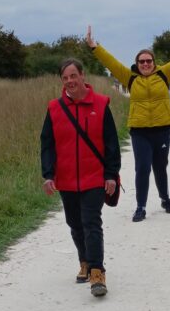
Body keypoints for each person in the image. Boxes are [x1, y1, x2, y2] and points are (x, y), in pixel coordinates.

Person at [86, 24, 170, 222]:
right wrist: (95, 46)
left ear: (154, 62)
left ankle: (165, 198)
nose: (145, 64)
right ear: (136, 63)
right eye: (141, 61)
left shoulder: (165, 74)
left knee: (160, 167)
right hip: (140, 132)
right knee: (142, 168)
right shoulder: (130, 78)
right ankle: (141, 206)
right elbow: (110, 62)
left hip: (162, 130)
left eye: (148, 61)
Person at [40, 58, 121, 297]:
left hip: (94, 177)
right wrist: (48, 174)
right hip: (66, 179)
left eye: (73, 76)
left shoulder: (101, 104)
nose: (69, 82)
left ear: (83, 76)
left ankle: (98, 272)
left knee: (91, 222)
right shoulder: (54, 108)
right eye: (65, 78)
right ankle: (84, 261)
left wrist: (111, 175)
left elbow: (111, 144)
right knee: (74, 224)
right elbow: (47, 144)